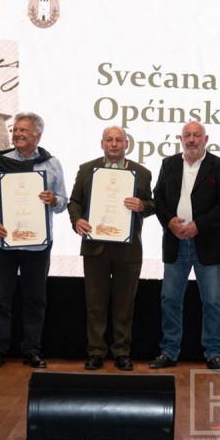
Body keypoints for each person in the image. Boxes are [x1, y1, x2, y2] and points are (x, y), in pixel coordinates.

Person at [0, 112, 68, 369]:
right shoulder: (1, 162)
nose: (17, 134)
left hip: (37, 244)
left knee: (35, 299)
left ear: (37, 136)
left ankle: (32, 350)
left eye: (23, 131)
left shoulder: (51, 164)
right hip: (4, 242)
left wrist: (54, 200)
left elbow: (63, 201)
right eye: (15, 130)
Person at [68, 126, 155, 372]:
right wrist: (77, 220)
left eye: (119, 140)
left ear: (127, 144)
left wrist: (142, 206)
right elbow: (74, 201)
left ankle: (122, 352)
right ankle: (96, 352)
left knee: (124, 305)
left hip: (128, 250)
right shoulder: (87, 169)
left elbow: (152, 204)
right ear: (102, 144)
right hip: (95, 247)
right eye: (109, 140)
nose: (114, 144)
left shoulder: (142, 172)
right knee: (95, 304)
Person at [149, 121, 220, 370]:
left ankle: (214, 353)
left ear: (205, 139)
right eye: (187, 135)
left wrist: (199, 225)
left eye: (197, 135)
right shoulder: (169, 164)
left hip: (208, 244)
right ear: (181, 139)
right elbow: (158, 197)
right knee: (170, 300)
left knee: (212, 302)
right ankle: (169, 351)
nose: (192, 139)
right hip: (175, 243)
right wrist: (169, 221)